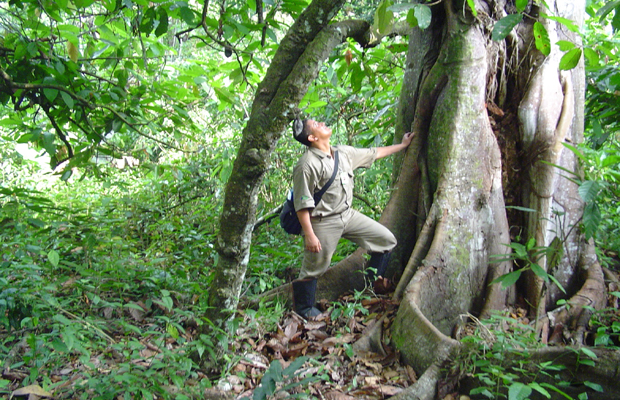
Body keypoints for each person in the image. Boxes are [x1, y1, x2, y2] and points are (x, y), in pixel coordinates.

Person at [290, 118, 414, 318]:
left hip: (348, 215)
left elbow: (374, 153)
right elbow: (302, 204)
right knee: (314, 268)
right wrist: (310, 235)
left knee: (386, 240)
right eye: (316, 125)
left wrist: (403, 145)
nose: (322, 122)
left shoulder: (342, 153)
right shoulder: (306, 165)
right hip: (323, 222)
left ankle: (368, 289)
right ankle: (304, 309)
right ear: (312, 137)